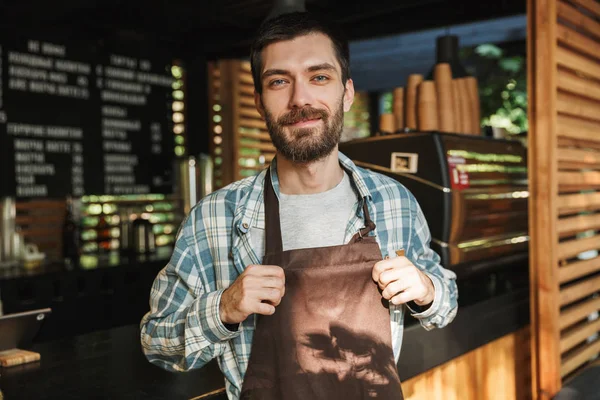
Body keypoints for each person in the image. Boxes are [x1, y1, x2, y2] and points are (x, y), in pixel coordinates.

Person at [140, 11, 458, 400]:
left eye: (319, 77)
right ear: (259, 101)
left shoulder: (394, 202)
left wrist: (425, 289)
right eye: (279, 81)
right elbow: (156, 343)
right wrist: (223, 308)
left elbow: (446, 302)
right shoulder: (215, 217)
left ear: (347, 92)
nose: (300, 99)